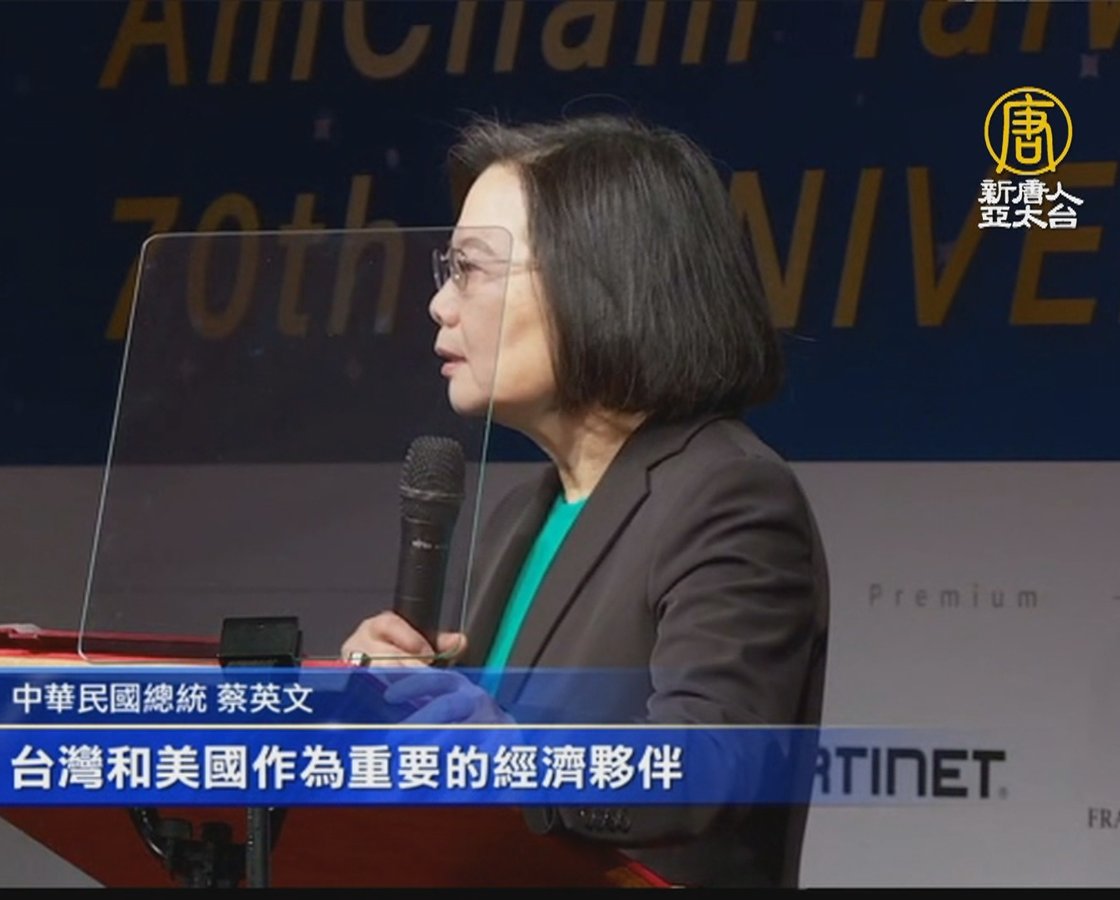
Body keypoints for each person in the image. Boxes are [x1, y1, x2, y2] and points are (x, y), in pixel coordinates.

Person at [340, 114, 830, 888]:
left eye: (469, 270)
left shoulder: (728, 492)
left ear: (597, 282)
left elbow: (711, 762)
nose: (439, 304)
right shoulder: (520, 515)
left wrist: (509, 759)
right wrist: (397, 701)